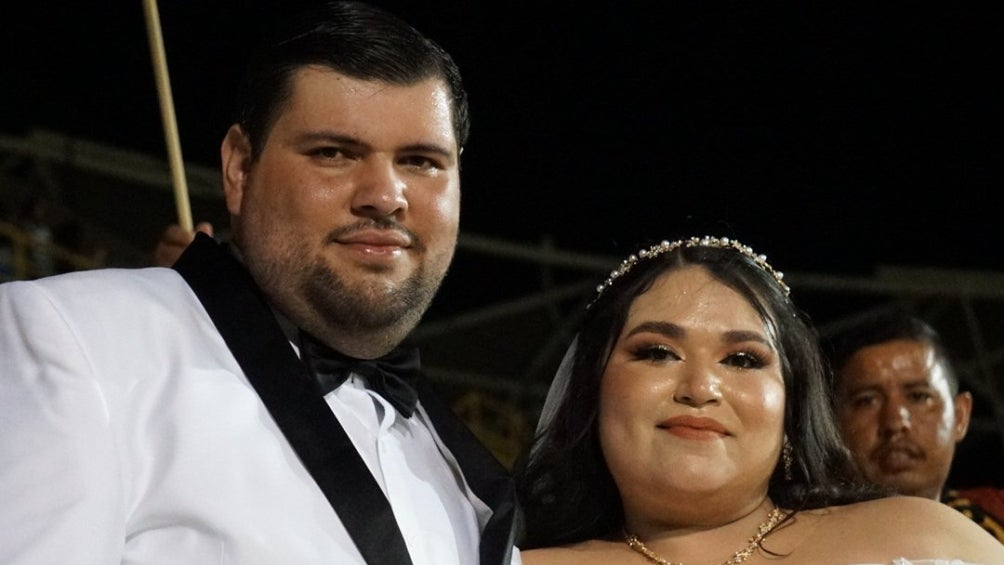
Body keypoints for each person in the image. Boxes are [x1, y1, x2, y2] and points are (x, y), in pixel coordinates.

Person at [0, 2, 518, 564]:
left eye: (420, 161)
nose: (385, 195)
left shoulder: (456, 470)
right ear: (239, 168)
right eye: (335, 153)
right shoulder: (77, 341)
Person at [513, 235, 1004, 564]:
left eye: (743, 359)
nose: (700, 388)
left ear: (793, 407)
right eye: (657, 352)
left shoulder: (919, 536)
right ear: (592, 390)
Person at [827, 310, 1004, 542]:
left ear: (960, 416)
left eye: (918, 397)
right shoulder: (801, 539)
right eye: (867, 400)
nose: (895, 422)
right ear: (833, 422)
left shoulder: (996, 516)